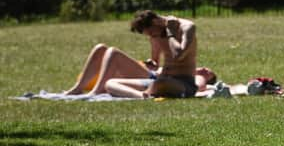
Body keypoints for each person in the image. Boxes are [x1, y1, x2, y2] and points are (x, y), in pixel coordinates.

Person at [64, 43, 216, 97]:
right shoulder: (185, 69)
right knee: (100, 48)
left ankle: (96, 91)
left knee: (113, 52)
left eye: (207, 72)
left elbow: (199, 87)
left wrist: (202, 78)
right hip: (148, 72)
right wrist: (154, 65)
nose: (204, 69)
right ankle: (77, 88)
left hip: (150, 78)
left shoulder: (193, 79)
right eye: (205, 68)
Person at [111, 10, 198, 99]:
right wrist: (150, 64)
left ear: (155, 22)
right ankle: (142, 96)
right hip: (159, 81)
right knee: (111, 83)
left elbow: (178, 55)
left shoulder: (187, 27)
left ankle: (147, 93)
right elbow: (155, 61)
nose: (152, 37)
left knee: (162, 82)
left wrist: (170, 33)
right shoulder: (156, 35)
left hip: (183, 84)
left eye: (152, 33)